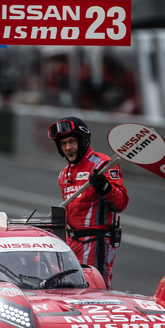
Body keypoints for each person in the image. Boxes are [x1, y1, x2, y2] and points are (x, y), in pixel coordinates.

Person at [49, 116, 129, 289]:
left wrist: (105, 187)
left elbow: (121, 203)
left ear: (83, 140)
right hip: (71, 244)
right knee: (70, 291)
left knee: (95, 293)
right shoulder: (63, 174)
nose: (68, 148)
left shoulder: (103, 164)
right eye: (63, 144)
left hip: (96, 243)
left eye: (71, 141)